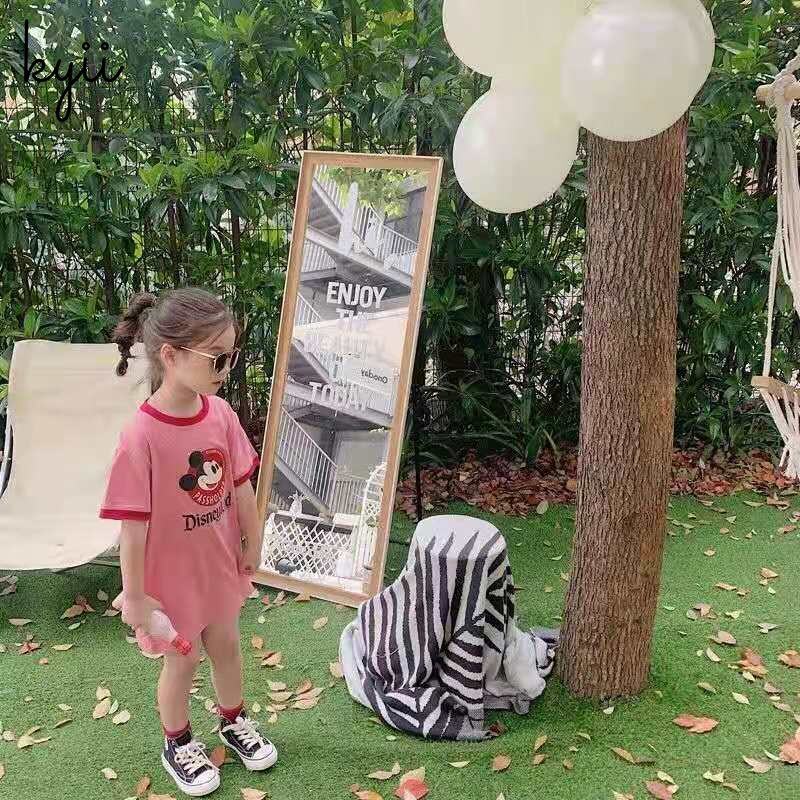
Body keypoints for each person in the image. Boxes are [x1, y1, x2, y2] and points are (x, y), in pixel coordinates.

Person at [100, 288, 276, 797]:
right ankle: (177, 742)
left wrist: (252, 540)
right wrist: (135, 596)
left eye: (231, 356)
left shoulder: (220, 414)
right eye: (216, 357)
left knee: (226, 646)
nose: (226, 368)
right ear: (171, 355)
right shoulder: (141, 436)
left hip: (217, 567)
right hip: (171, 583)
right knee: (184, 660)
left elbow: (240, 486)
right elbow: (132, 528)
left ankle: (233, 720)